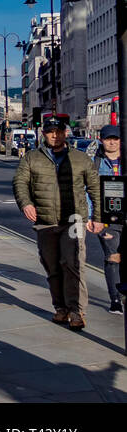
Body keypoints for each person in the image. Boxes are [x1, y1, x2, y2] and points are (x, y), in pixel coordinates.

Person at [14, 115, 103, 330]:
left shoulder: (80, 159)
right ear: (44, 134)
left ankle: (76, 311)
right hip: (45, 221)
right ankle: (60, 308)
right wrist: (26, 203)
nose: (55, 135)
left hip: (74, 220)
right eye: (50, 131)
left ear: (65, 133)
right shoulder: (31, 158)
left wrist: (98, 218)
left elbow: (95, 189)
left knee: (73, 264)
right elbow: (20, 182)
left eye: (59, 131)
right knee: (52, 266)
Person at [92, 125, 122, 314]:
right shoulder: (95, 162)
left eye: (116, 139)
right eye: (108, 138)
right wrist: (90, 217)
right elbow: (89, 190)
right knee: (113, 258)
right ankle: (116, 299)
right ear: (101, 140)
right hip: (106, 218)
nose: (112, 142)